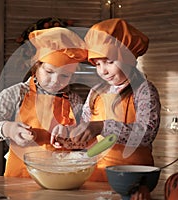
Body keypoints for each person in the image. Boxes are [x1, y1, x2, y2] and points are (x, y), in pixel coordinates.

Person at [0, 27, 87, 178]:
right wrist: (8, 129)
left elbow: (83, 137)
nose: (55, 81)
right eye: (49, 72)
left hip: (60, 175)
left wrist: (69, 135)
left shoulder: (74, 99)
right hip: (21, 175)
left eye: (65, 76)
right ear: (36, 66)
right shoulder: (15, 94)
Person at [67, 18, 161, 186]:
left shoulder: (143, 90)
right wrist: (69, 134)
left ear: (129, 59)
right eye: (97, 64)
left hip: (133, 176)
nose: (103, 70)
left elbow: (146, 134)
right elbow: (87, 130)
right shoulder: (96, 91)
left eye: (110, 62)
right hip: (96, 175)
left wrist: (102, 126)